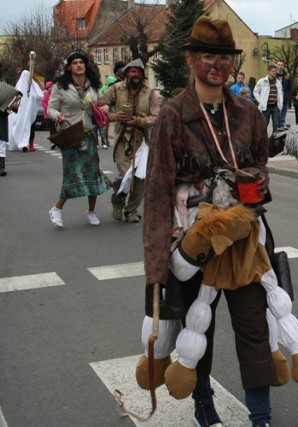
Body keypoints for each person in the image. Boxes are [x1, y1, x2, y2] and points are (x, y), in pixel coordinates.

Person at [143, 17, 278, 427]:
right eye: (208, 56)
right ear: (191, 59)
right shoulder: (172, 116)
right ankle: (205, 407)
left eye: (224, 57)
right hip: (193, 239)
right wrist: (156, 267)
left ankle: (261, 416)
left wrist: (255, 185)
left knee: (255, 325)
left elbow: (260, 164)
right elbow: (158, 191)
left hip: (242, 234)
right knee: (198, 332)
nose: (217, 65)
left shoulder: (249, 113)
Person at [46, 51, 111, 228]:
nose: (79, 65)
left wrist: (104, 107)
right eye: (75, 63)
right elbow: (50, 109)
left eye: (81, 62)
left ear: (85, 65)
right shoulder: (60, 86)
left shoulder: (93, 85)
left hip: (89, 134)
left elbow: (99, 104)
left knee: (93, 172)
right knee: (73, 173)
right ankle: (57, 209)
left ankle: (91, 211)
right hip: (70, 134)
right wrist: (57, 115)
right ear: (69, 67)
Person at [99, 58, 159, 223]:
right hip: (122, 139)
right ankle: (118, 202)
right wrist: (112, 116)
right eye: (132, 71)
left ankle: (131, 210)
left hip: (142, 141)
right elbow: (100, 107)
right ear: (126, 73)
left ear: (143, 75)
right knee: (126, 174)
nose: (135, 75)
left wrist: (140, 121)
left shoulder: (150, 93)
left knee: (140, 178)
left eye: (138, 72)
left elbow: (156, 116)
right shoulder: (116, 89)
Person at [8, 68, 43, 152]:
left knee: (31, 128)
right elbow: (13, 102)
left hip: (31, 112)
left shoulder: (33, 87)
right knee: (20, 127)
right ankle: (22, 143)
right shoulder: (18, 88)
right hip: (21, 114)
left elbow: (40, 96)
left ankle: (30, 143)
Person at [253, 64, 282, 133]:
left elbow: (280, 94)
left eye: (276, 71)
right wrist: (260, 101)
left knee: (276, 124)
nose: (275, 72)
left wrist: (280, 104)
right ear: (268, 72)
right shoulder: (262, 81)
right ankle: (264, 140)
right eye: (273, 71)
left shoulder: (278, 82)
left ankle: (274, 140)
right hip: (266, 107)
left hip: (275, 106)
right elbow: (255, 91)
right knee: (264, 124)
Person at [0, 82, 21, 176]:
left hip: (1, 121)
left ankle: (1, 167)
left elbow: (10, 108)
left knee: (1, 144)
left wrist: (14, 106)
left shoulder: (4, 88)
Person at [275, 60, 292, 127]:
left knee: (282, 119)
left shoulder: (287, 76)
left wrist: (288, 98)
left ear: (283, 66)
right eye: (278, 65)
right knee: (276, 118)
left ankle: (281, 134)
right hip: (275, 100)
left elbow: (290, 88)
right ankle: (276, 134)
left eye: (281, 65)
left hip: (284, 100)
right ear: (276, 65)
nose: (280, 66)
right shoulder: (274, 75)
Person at [42, 81, 58, 149]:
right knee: (52, 129)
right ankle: (53, 142)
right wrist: (49, 108)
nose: (50, 89)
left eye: (51, 87)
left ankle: (57, 142)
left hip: (56, 114)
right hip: (48, 115)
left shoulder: (56, 94)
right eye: (49, 87)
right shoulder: (45, 95)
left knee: (57, 129)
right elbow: (43, 103)